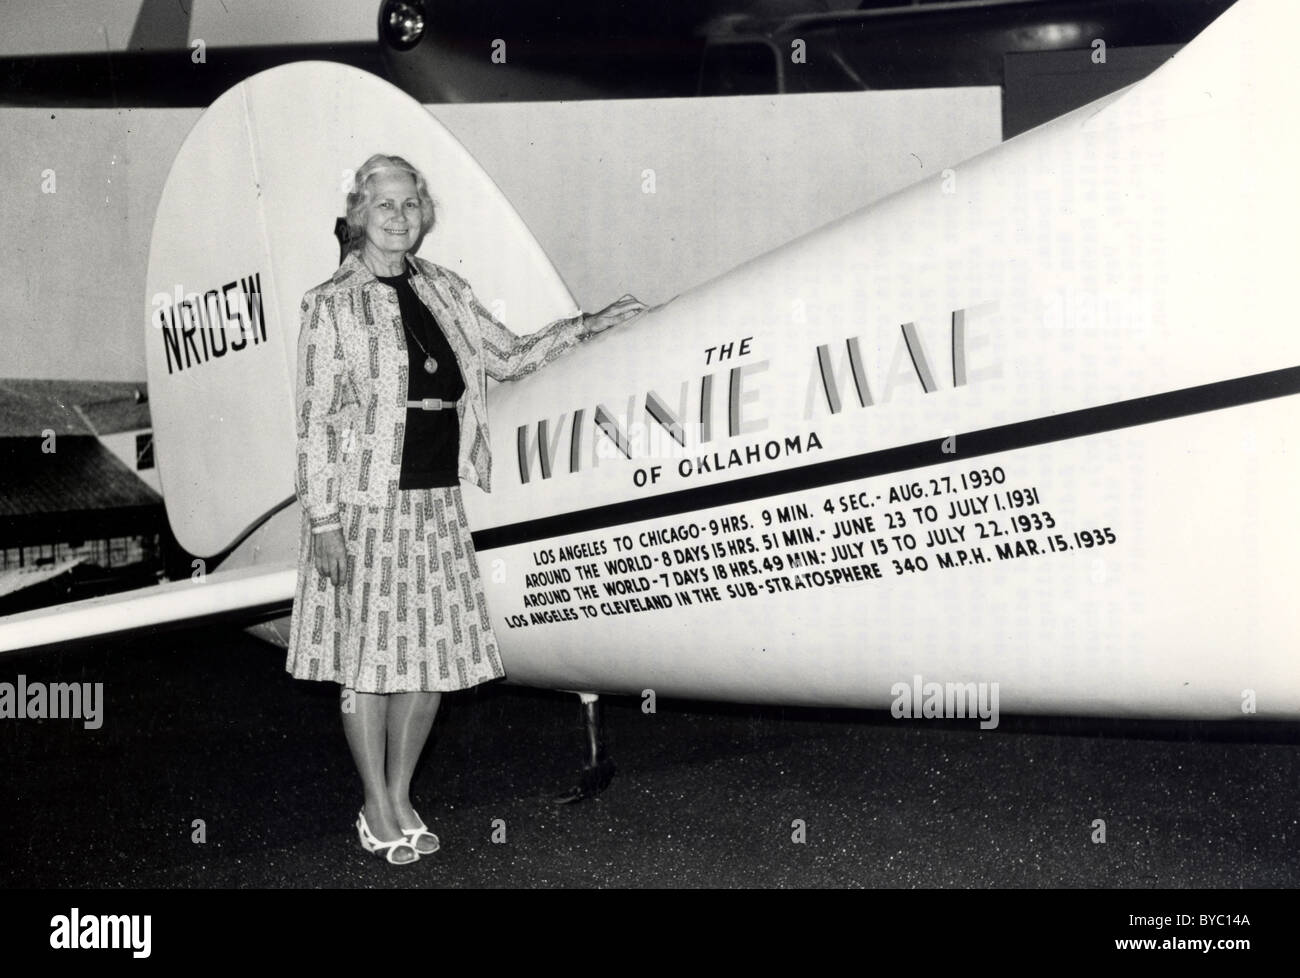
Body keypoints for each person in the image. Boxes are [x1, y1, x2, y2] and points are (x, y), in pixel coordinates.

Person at [286, 153, 646, 864]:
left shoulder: (446, 290)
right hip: (363, 502)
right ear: (359, 216)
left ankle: (401, 790)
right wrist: (322, 521)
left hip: (435, 500)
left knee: (427, 659)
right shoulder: (329, 303)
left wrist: (588, 325)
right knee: (367, 664)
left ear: (424, 218)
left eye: (410, 206)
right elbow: (317, 421)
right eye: (384, 206)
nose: (398, 218)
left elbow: (507, 356)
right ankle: (375, 805)